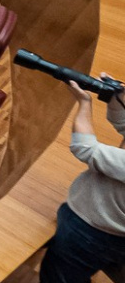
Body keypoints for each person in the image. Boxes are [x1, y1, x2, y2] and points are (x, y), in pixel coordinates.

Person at [40, 72, 125, 283]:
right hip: (106, 229)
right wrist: (119, 98)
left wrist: (84, 102)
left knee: (59, 276)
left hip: (93, 232)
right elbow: (123, 123)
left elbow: (85, 148)